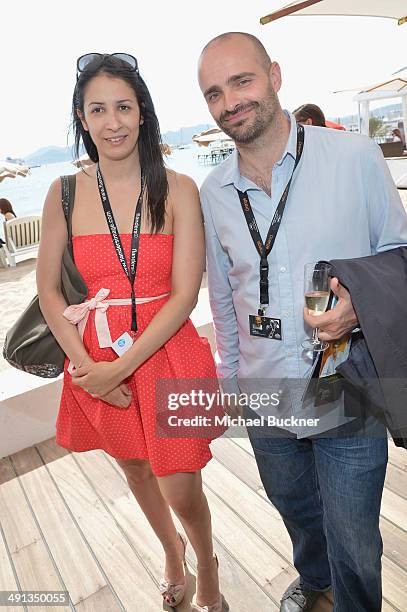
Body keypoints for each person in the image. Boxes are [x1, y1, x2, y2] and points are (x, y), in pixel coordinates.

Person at [197, 32, 407, 612]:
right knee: (298, 514)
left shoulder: (355, 157)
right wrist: (235, 379)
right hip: (265, 395)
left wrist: (358, 307)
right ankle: (316, 585)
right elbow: (224, 294)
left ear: (276, 75)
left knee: (356, 539)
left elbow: (401, 254)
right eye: (214, 93)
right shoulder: (214, 193)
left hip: (349, 386)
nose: (230, 101)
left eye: (242, 81)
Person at [37, 53, 228, 612]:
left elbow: (184, 295)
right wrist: (87, 369)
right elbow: (50, 291)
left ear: (142, 113)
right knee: (137, 469)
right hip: (95, 358)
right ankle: (171, 556)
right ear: (83, 117)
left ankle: (207, 564)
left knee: (181, 484)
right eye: (99, 109)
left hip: (168, 352)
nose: (113, 121)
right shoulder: (63, 194)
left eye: (124, 106)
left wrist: (115, 369)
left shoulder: (179, 188)